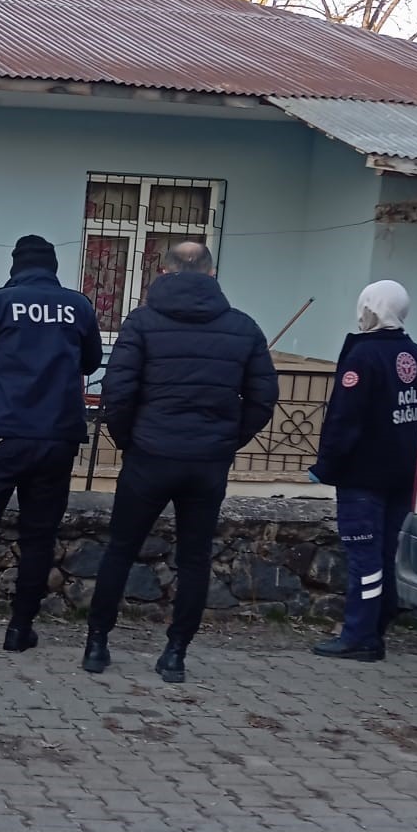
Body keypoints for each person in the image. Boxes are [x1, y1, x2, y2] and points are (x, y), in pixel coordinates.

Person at [84, 240, 278, 684]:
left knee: (120, 549)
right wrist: (227, 440)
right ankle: (175, 654)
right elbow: (263, 398)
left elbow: (118, 392)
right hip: (207, 462)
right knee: (194, 559)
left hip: (149, 455)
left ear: (165, 273)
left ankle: (97, 645)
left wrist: (130, 442)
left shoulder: (141, 323)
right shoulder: (243, 327)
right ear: (211, 275)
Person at [0, 235, 104, 657]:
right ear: (52, 267)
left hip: (0, 434)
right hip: (56, 436)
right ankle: (20, 629)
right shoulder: (78, 305)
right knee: (39, 536)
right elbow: (91, 361)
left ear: (16, 266)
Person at [309, 279, 417, 664]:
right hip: (402, 472)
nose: (359, 313)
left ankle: (359, 636)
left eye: (364, 306)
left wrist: (324, 466)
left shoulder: (364, 357)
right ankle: (377, 628)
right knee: (384, 552)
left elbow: (346, 419)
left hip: (364, 476)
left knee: (364, 556)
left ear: (373, 310)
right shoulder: (416, 354)